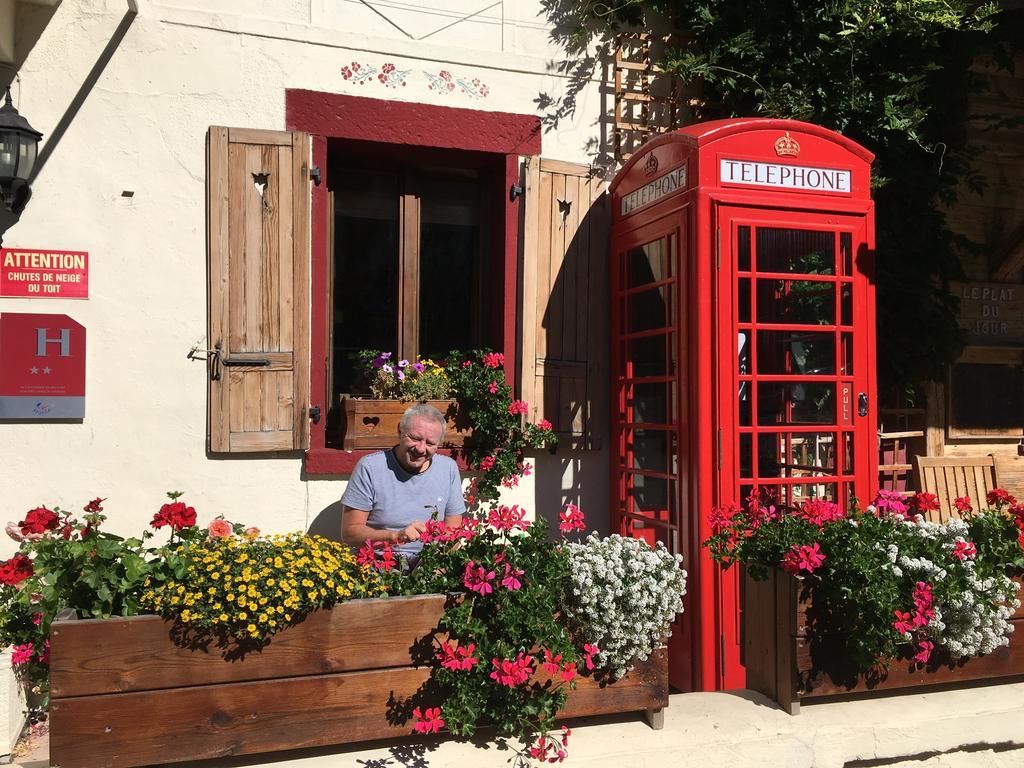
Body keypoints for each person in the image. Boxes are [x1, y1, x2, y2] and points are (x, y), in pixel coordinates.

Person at [341, 403, 465, 563]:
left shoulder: (448, 468)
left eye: (430, 443)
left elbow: (452, 532)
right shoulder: (370, 467)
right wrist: (396, 537)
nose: (421, 449)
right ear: (400, 430)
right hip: (379, 564)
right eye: (415, 438)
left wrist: (440, 568)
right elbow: (350, 533)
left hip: (430, 566)